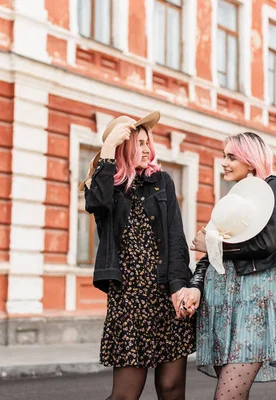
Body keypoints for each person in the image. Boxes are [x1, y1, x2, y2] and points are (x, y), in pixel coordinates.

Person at [81, 111, 195, 400]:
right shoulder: (105, 185)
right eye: (139, 143)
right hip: (129, 299)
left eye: (148, 143)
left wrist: (180, 286)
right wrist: (107, 151)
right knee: (125, 395)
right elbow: (98, 204)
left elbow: (175, 238)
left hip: (165, 293)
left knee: (171, 389)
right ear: (123, 148)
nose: (147, 149)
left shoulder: (162, 182)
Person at [178, 131, 276, 400]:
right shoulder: (235, 198)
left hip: (252, 307)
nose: (224, 162)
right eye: (224, 156)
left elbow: (266, 243)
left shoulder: (273, 189)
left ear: (251, 160)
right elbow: (211, 255)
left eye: (232, 156)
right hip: (222, 307)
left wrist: (213, 245)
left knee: (227, 396)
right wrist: (195, 285)